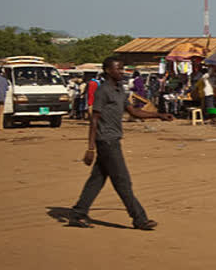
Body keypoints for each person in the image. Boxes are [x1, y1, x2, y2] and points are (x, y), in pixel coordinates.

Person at [70, 57, 174, 230]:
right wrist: (90, 148)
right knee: (122, 181)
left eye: (122, 68)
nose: (122, 71)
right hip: (106, 141)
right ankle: (139, 219)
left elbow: (133, 111)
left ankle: (78, 214)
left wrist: (159, 115)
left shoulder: (120, 90)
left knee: (97, 179)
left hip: (114, 139)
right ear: (108, 71)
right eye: (118, 69)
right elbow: (94, 119)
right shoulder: (103, 91)